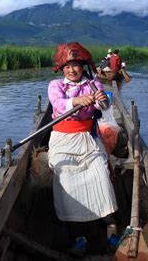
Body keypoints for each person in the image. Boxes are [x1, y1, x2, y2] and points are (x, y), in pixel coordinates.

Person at [48, 42, 118, 226]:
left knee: (100, 170)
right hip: (62, 138)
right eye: (67, 66)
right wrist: (77, 100)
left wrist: (102, 101)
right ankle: (73, 225)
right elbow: (58, 104)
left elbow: (102, 106)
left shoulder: (93, 84)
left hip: (87, 137)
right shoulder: (56, 85)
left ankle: (106, 218)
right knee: (64, 173)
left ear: (82, 67)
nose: (72, 70)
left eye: (75, 65)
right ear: (62, 68)